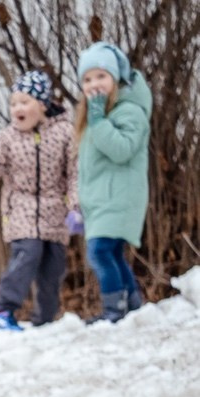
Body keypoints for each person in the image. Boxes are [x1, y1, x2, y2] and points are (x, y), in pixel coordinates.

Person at [0, 72, 74, 330]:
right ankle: (2, 310)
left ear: (42, 105)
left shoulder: (65, 133)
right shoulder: (8, 138)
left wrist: (76, 209)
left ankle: (45, 321)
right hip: (21, 209)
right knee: (27, 254)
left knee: (53, 269)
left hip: (55, 212)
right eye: (13, 103)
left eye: (24, 102)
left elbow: (76, 174)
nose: (17, 108)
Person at [73, 41, 153, 322]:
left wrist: (97, 120)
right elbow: (88, 168)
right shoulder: (97, 116)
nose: (94, 84)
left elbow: (120, 151)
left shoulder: (129, 112)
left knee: (100, 252)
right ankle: (131, 306)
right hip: (102, 200)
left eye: (101, 76)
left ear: (116, 79)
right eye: (87, 78)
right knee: (112, 253)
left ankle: (113, 311)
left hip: (120, 197)